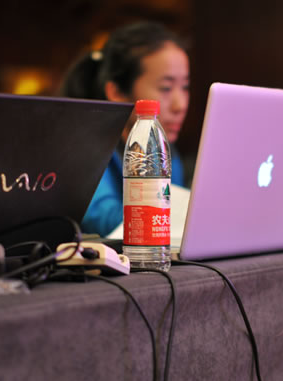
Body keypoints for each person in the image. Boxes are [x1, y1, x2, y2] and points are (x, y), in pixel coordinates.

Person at [61, 21, 190, 236]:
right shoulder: (86, 149)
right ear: (117, 92)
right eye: (166, 88)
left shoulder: (165, 149)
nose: (181, 105)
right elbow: (103, 221)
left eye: (185, 87)